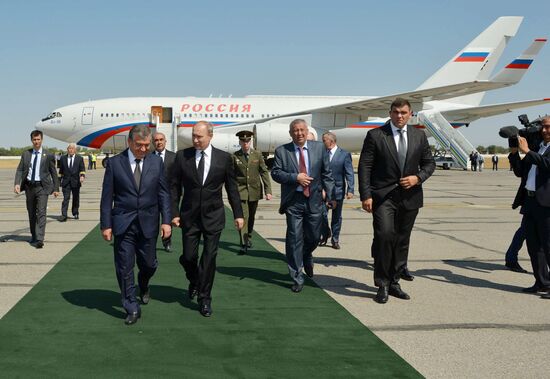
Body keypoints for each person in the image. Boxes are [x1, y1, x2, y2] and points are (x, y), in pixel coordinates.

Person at [358, 98, 435, 304]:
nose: (399, 116)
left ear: (410, 114)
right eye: (396, 112)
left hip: (410, 197)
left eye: (403, 112)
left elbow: (429, 163)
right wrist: (366, 195)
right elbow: (365, 167)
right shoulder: (375, 135)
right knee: (384, 236)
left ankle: (394, 282)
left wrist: (417, 178)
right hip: (383, 197)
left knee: (402, 240)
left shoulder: (419, 135)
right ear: (390, 113)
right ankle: (382, 283)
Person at [171, 121, 244, 317]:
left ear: (210, 136)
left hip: (213, 216)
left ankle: (205, 298)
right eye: (194, 136)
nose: (195, 140)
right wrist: (174, 213)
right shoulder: (182, 157)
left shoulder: (224, 158)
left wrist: (238, 214)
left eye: (199, 136)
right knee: (188, 257)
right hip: (189, 216)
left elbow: (232, 188)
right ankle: (194, 280)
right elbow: (174, 188)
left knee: (209, 258)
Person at [100, 125, 171, 325]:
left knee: (149, 264)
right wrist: (106, 224)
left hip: (149, 222)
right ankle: (131, 305)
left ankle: (144, 283)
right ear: (129, 142)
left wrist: (166, 220)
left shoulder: (156, 162)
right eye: (139, 145)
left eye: (147, 145)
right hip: (124, 223)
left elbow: (164, 193)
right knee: (124, 266)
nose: (143, 149)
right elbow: (107, 198)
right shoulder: (115, 164)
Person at [271, 119, 335, 293]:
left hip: (314, 200)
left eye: (302, 130)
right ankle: (297, 276)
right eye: (295, 131)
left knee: (314, 237)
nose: (299, 133)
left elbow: (327, 173)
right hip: (294, 201)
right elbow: (276, 173)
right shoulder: (282, 151)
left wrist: (330, 195)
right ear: (291, 133)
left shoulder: (319, 148)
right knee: (294, 238)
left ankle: (306, 254)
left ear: (307, 131)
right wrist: (295, 177)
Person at [508, 116, 550, 298]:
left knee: (549, 246)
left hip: (547, 204)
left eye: (548, 127)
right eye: (543, 127)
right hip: (531, 202)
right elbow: (520, 172)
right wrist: (515, 152)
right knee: (534, 246)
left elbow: (547, 165)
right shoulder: (539, 146)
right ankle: (542, 283)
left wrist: (528, 152)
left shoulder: (537, 151)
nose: (544, 130)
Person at [14, 130, 60, 249]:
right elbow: (20, 170)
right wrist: (17, 183)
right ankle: (34, 235)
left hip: (42, 188)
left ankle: (40, 238)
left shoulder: (48, 155)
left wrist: (56, 188)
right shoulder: (26, 154)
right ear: (31, 141)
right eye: (34, 140)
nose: (36, 142)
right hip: (29, 187)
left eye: (38, 139)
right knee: (31, 213)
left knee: (41, 212)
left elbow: (53, 173)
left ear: (42, 140)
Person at [232, 130, 272, 254]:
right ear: (239, 142)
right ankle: (243, 243)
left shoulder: (257, 155)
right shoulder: (235, 156)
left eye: (248, 141)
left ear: (251, 141)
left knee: (251, 217)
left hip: (254, 191)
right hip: (241, 191)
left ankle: (248, 237)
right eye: (243, 141)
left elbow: (264, 172)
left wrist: (268, 190)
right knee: (244, 217)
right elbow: (231, 175)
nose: (245, 143)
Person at [319, 132, 354, 249]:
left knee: (336, 217)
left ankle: (335, 239)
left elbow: (349, 173)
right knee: (321, 214)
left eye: (324, 140)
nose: (322, 142)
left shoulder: (344, 154)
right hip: (323, 191)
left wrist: (351, 189)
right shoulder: (321, 153)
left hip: (337, 191)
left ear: (331, 141)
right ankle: (326, 232)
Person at [153, 132, 176, 252]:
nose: (159, 142)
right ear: (153, 142)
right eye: (156, 140)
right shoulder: (148, 157)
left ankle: (167, 242)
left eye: (161, 139)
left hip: (169, 196)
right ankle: (151, 242)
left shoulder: (173, 157)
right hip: (152, 196)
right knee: (152, 221)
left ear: (165, 141)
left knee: (167, 220)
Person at [58, 143, 86, 221]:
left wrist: (82, 176)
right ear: (67, 149)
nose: (70, 150)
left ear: (75, 150)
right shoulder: (63, 158)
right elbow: (61, 171)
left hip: (76, 182)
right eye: (69, 148)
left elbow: (82, 169)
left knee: (76, 198)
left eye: (72, 148)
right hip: (66, 182)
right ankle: (64, 215)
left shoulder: (79, 158)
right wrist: (59, 181)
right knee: (66, 199)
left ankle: (75, 212)